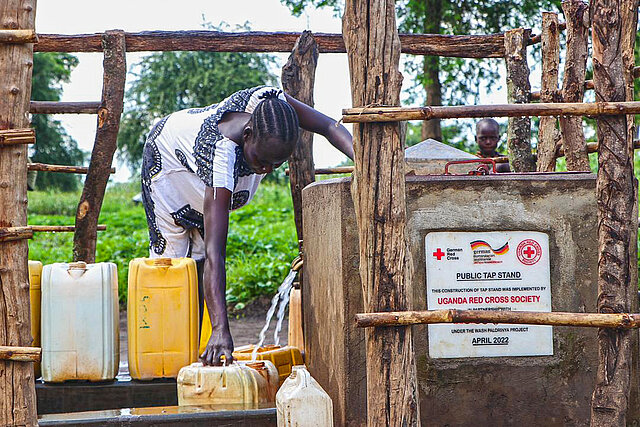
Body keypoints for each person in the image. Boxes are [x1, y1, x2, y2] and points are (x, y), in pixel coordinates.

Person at [141, 85, 353, 366]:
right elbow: (219, 253)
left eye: (277, 164)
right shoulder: (220, 153)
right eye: (262, 161)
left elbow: (328, 125)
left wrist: (366, 161)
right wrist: (222, 330)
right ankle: (168, 363)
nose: (267, 169)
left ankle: (197, 352)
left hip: (205, 175)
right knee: (172, 267)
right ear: (248, 135)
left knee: (202, 258)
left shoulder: (271, 103)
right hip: (169, 167)